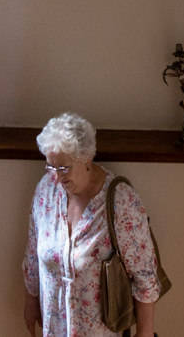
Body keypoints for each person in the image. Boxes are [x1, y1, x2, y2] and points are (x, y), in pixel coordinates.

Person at [23, 113, 160, 336]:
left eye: (63, 168)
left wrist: (145, 332)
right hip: (54, 329)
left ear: (86, 158)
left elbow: (144, 273)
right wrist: (30, 300)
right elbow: (32, 252)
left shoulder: (120, 201)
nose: (56, 177)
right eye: (50, 167)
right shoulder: (45, 191)